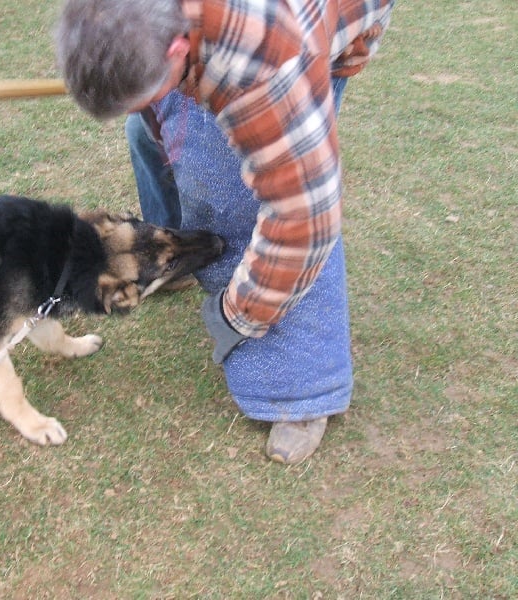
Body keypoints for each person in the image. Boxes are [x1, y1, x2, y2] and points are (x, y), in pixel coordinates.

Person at [56, 0, 394, 464]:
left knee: (235, 193)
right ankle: (175, 257)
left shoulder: (268, 61)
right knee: (149, 128)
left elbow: (304, 219)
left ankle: (300, 390)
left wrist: (238, 315)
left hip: (300, 26)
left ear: (177, 47)